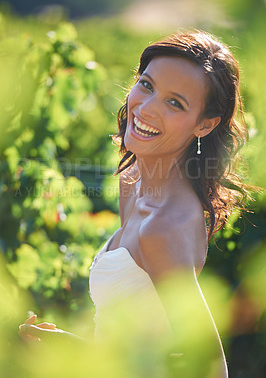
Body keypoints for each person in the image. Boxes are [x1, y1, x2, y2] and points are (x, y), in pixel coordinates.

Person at [20, 30, 249, 377]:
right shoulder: (133, 182)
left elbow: (211, 368)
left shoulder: (162, 229)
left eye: (175, 103)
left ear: (205, 125)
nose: (146, 107)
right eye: (147, 85)